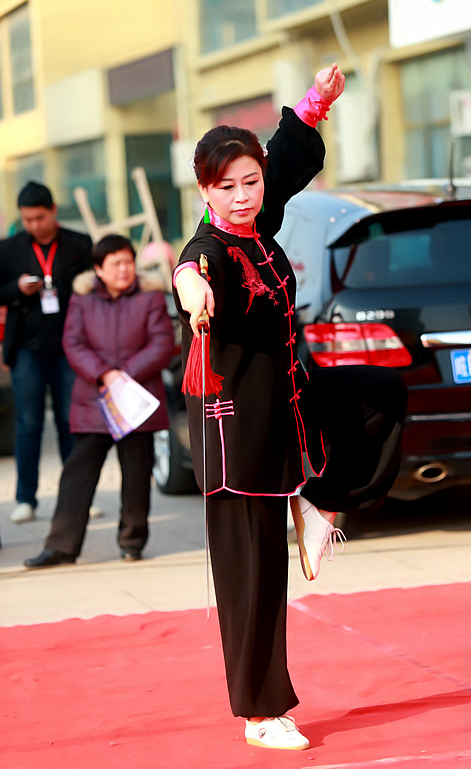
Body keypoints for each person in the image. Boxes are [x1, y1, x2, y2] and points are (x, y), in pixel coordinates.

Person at [173, 63, 407, 751]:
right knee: (254, 577)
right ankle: (260, 712)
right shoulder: (210, 248)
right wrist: (191, 291)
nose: (243, 195)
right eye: (227, 187)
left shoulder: (256, 216)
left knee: (379, 392)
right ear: (204, 190)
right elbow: (191, 272)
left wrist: (314, 102)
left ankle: (320, 503)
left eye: (250, 182)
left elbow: (283, 156)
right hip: (235, 429)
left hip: (285, 403)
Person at [24, 235, 174, 567]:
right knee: (77, 472)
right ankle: (61, 546)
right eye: (115, 264)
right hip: (95, 399)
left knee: (137, 474)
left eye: (128, 262)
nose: (124, 269)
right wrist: (105, 374)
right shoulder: (83, 298)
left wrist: (124, 374)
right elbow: (73, 342)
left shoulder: (150, 296)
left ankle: (132, 541)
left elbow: (162, 343)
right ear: (98, 269)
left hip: (136, 401)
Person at [0, 182, 93, 523]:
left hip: (71, 347)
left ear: (53, 210)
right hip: (27, 347)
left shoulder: (79, 244)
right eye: (27, 219)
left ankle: (76, 497)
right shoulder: (9, 248)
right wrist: (16, 289)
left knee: (71, 421)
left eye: (39, 217)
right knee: (28, 423)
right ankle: (26, 497)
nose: (34, 225)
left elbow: (93, 292)